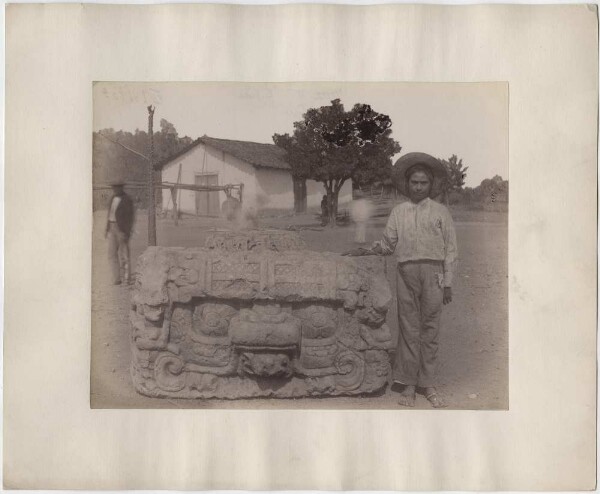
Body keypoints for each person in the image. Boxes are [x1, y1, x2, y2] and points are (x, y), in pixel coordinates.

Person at [343, 152, 458, 408]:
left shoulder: (441, 212)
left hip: (434, 275)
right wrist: (370, 249)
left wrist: (448, 282)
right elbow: (388, 243)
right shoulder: (398, 212)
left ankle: (427, 384)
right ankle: (407, 384)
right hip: (405, 274)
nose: (418, 187)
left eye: (423, 183)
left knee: (430, 330)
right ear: (407, 185)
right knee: (408, 329)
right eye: (414, 183)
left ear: (430, 185)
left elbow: (451, 249)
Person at [105, 180, 135, 285]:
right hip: (112, 227)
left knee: (124, 255)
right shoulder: (113, 198)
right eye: (114, 187)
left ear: (121, 188)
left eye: (117, 187)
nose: (115, 189)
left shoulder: (127, 200)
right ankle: (117, 278)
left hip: (121, 229)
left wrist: (126, 232)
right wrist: (107, 229)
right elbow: (110, 215)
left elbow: (130, 217)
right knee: (111, 253)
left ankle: (127, 278)